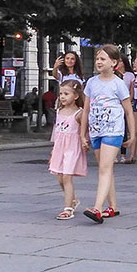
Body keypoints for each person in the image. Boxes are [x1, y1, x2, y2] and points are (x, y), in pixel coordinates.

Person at [82, 44, 137, 223]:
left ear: (114, 62)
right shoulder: (91, 83)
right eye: (97, 58)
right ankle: (113, 206)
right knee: (105, 168)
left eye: (103, 59)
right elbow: (86, 110)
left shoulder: (118, 84)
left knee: (105, 168)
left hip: (113, 131)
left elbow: (128, 111)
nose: (99, 62)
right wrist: (83, 134)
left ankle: (97, 208)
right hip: (96, 131)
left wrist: (133, 135)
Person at [49, 80, 89, 219]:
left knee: (67, 177)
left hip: (72, 148)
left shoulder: (79, 113)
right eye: (61, 94)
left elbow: (85, 130)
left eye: (66, 94)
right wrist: (53, 149)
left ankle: (68, 209)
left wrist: (85, 140)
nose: (62, 97)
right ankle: (73, 199)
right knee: (60, 178)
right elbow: (56, 131)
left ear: (76, 96)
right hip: (59, 148)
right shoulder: (59, 111)